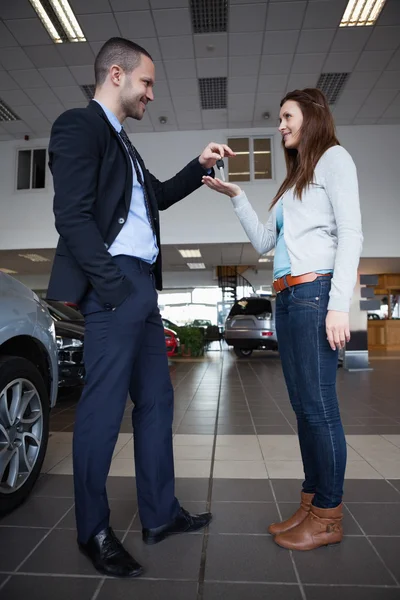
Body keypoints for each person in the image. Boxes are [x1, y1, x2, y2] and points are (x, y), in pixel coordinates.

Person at [46, 37, 234, 577]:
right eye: (146, 82)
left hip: (141, 292)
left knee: (155, 403)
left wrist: (198, 166)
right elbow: (73, 218)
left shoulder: (126, 144)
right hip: (116, 288)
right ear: (115, 74)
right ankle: (93, 531)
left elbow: (156, 196)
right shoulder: (78, 127)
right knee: (101, 415)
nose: (152, 93)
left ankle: (158, 514)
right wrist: (116, 290)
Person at [202, 88, 363, 551]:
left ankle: (329, 516)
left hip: (315, 294)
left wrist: (338, 306)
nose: (280, 125)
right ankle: (311, 504)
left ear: (311, 116)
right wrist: (235, 194)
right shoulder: (294, 182)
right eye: (278, 118)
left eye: (286, 116)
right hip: (287, 299)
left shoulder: (335, 159)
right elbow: (260, 242)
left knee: (320, 409)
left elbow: (351, 232)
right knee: (302, 408)